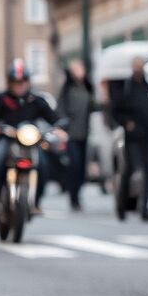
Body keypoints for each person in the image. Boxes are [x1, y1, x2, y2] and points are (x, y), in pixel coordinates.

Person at [0, 59, 62, 216]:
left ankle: (36, 202)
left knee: (43, 165)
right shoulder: (3, 99)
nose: (19, 85)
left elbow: (54, 118)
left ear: (27, 82)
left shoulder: (36, 100)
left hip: (30, 141)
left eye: (22, 81)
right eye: (15, 82)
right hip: (8, 138)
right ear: (9, 83)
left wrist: (59, 127)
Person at [110, 57, 148, 222]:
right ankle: (121, 206)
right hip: (133, 137)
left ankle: (145, 208)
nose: (139, 69)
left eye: (141, 66)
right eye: (136, 66)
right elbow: (116, 110)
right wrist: (127, 123)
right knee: (131, 170)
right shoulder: (126, 88)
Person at [56, 59, 99, 211]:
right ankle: (72, 196)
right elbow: (60, 109)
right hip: (71, 133)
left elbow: (93, 106)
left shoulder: (87, 87)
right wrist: (63, 125)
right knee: (74, 164)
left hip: (84, 132)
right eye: (76, 69)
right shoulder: (67, 88)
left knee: (82, 167)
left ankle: (77, 194)